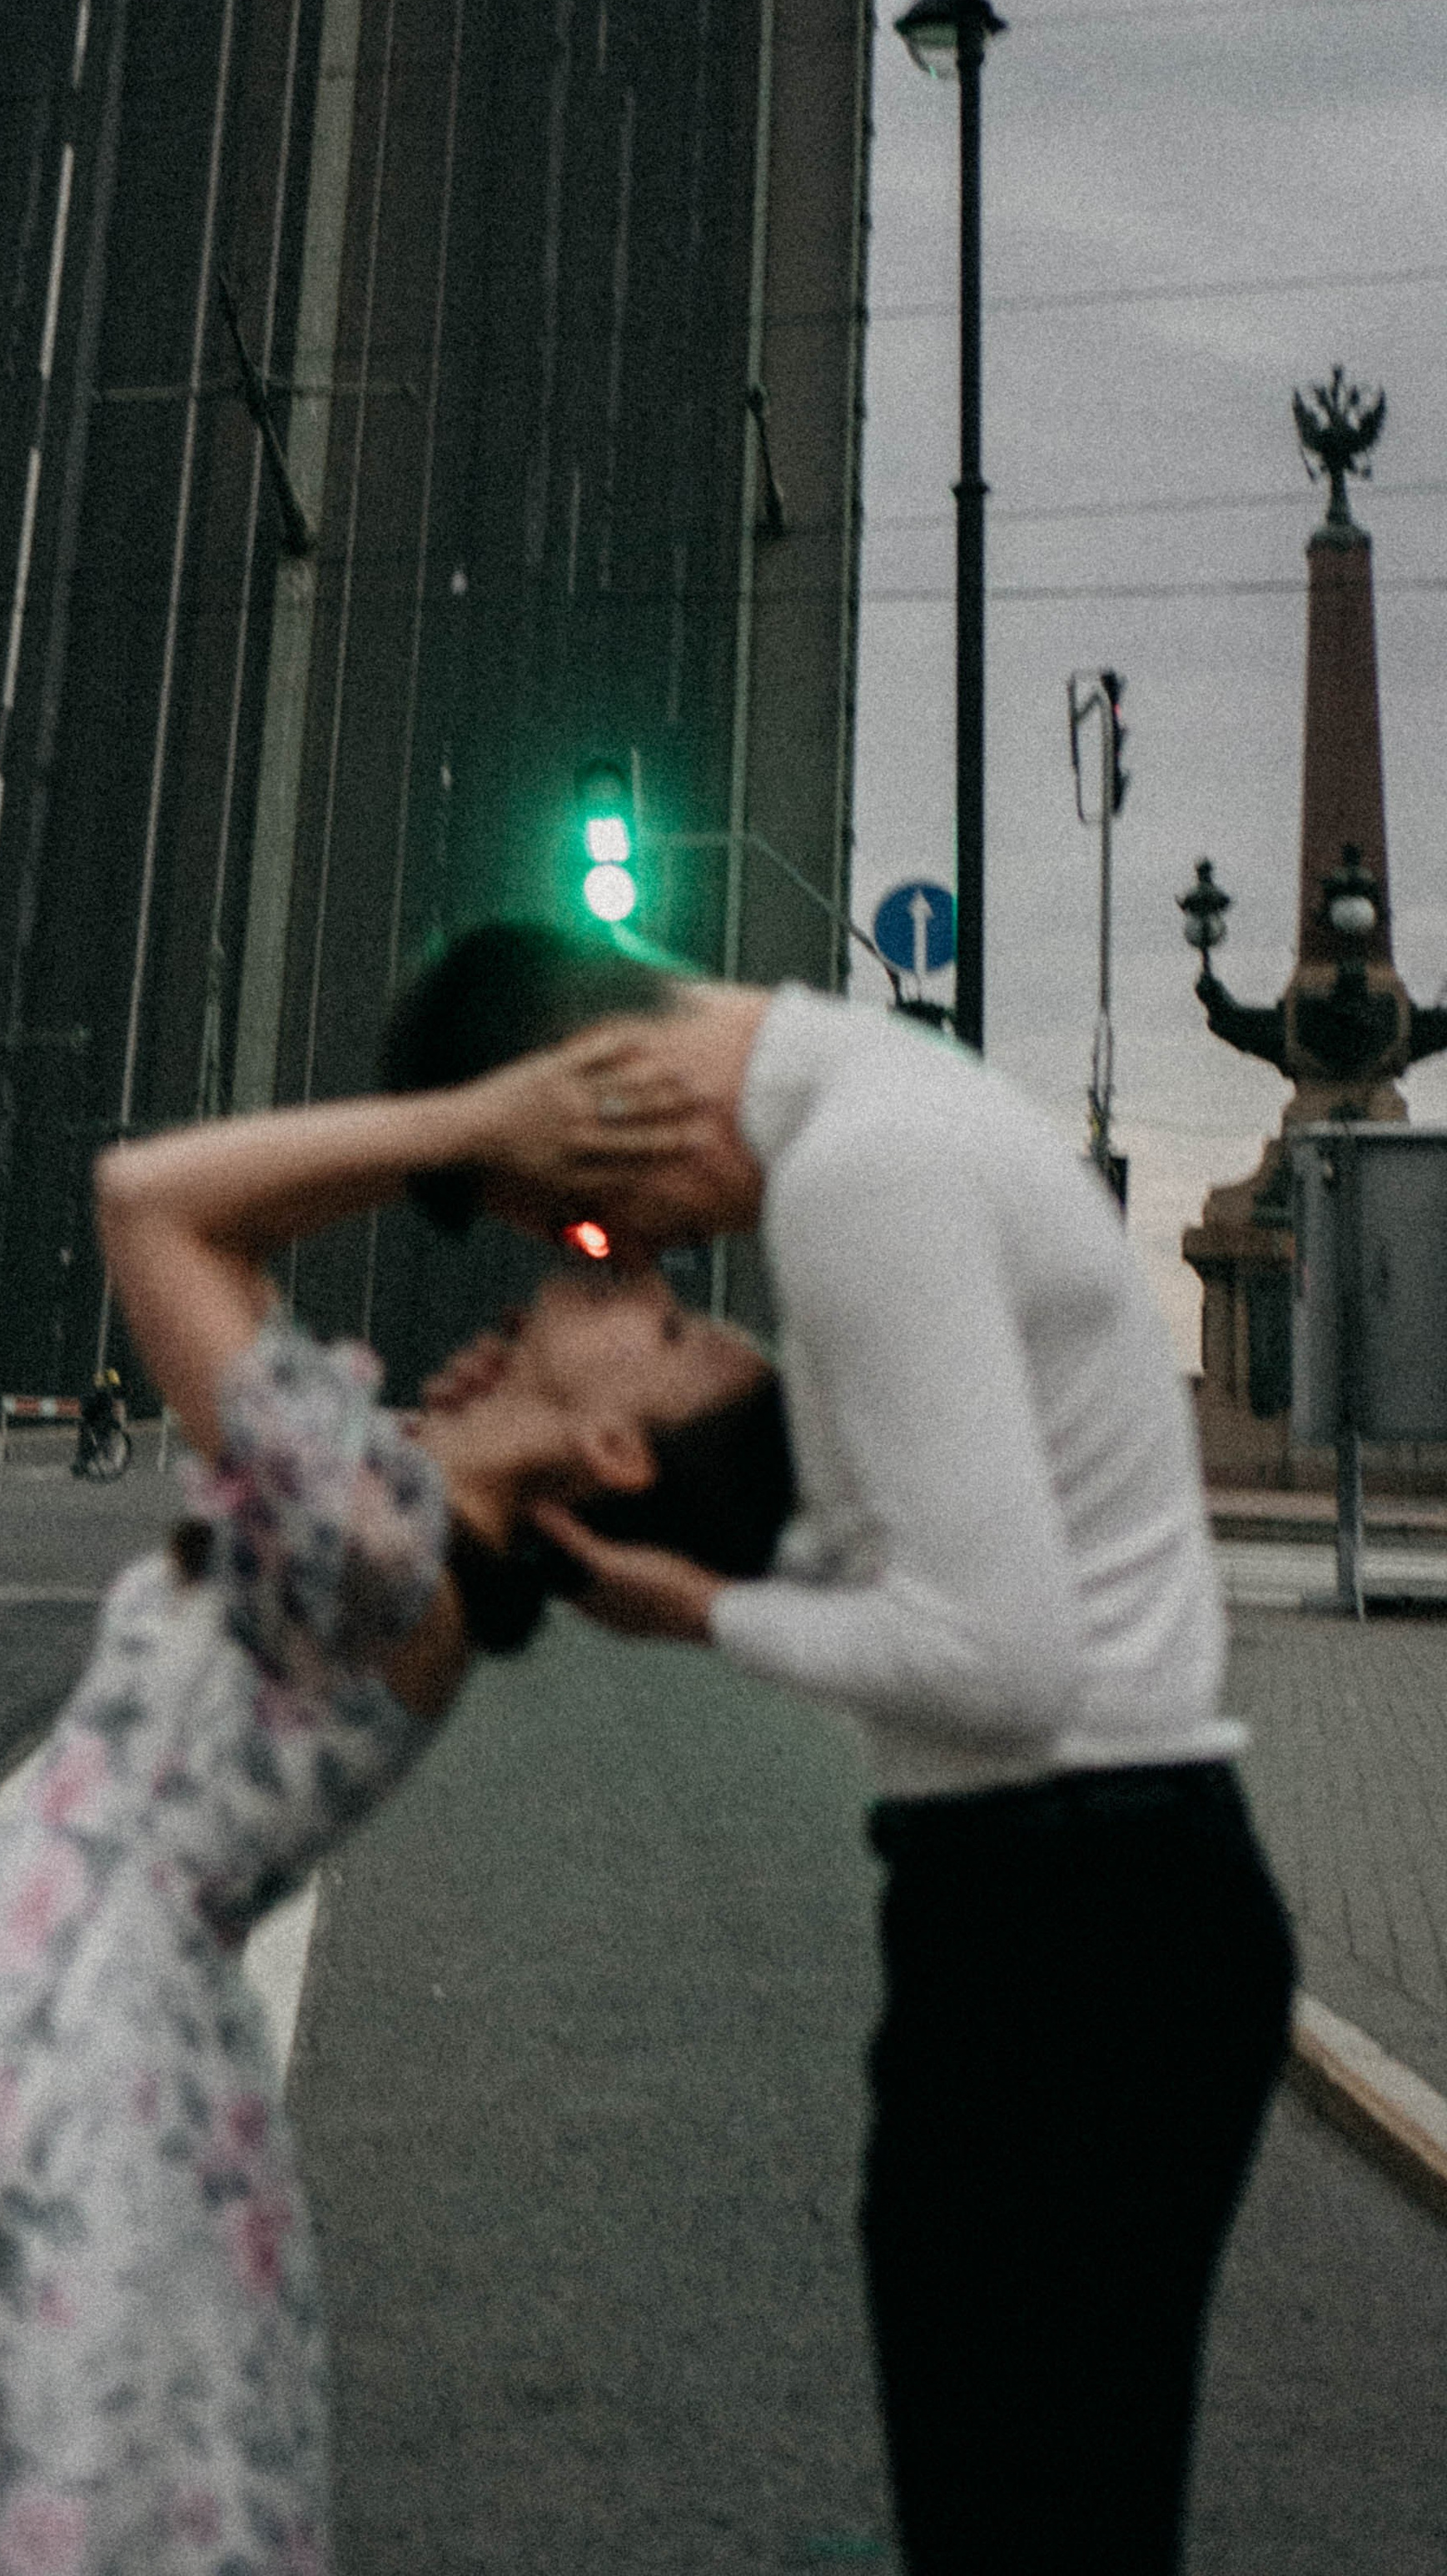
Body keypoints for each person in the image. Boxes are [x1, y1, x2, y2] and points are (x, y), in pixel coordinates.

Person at [0, 1066, 788, 2576]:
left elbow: (153, 1202)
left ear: (618, 1454)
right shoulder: (392, 1524)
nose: (651, 1292)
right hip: (67, 2034)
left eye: (672, 1330)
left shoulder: (383, 1558)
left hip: (80, 2060)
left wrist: (468, 1130)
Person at [380, 920, 1296, 2576]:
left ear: (609, 1091)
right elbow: (920, 1563)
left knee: (1013, 2517)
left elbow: (999, 1662)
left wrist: (695, 1620)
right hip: (1106, 1903)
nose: (614, 1249)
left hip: (1065, 1921)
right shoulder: (902, 1115)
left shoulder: (860, 1177)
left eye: (578, 1212)